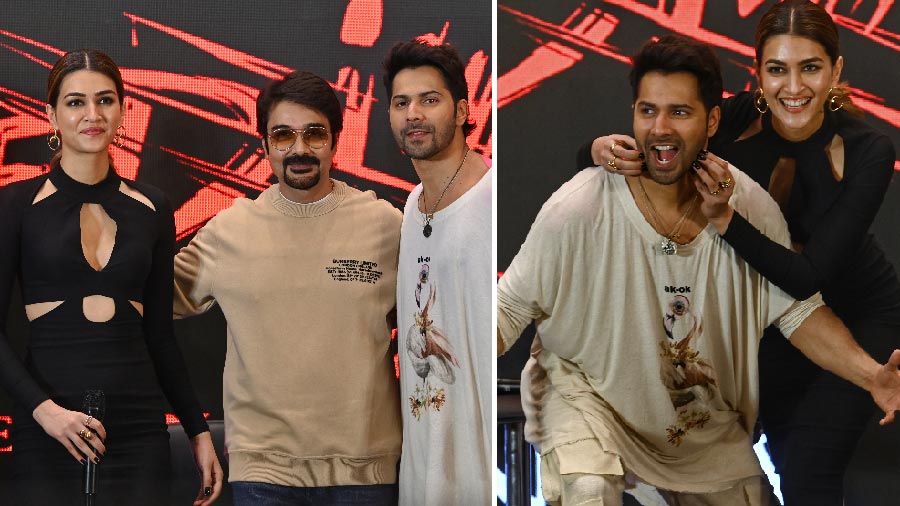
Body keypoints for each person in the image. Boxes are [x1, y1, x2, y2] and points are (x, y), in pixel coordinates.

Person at [497, 34, 900, 505]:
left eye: (679, 113)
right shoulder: (580, 203)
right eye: (647, 111)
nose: (660, 128)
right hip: (590, 402)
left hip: (697, 425)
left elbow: (797, 313)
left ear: (712, 121)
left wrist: (874, 376)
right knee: (589, 488)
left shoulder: (749, 205)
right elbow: (509, 306)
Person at [0, 49, 222, 505]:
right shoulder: (15, 205)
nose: (92, 114)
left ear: (123, 110)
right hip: (46, 427)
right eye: (76, 102)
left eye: (105, 100)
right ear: (52, 115)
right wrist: (45, 413)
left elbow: (160, 336)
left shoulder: (153, 207)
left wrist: (198, 431)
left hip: (138, 428)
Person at [173, 70, 402, 505]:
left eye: (314, 133)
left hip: (366, 470)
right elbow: (150, 300)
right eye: (283, 135)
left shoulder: (386, 225)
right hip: (263, 471)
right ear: (264, 144)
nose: (299, 149)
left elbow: (430, 319)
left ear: (336, 139)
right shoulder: (229, 230)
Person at [382, 40, 492, 505]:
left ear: (464, 110)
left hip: (483, 465)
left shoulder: (491, 200)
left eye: (430, 100)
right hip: (423, 465)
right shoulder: (410, 207)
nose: (413, 114)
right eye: (401, 102)